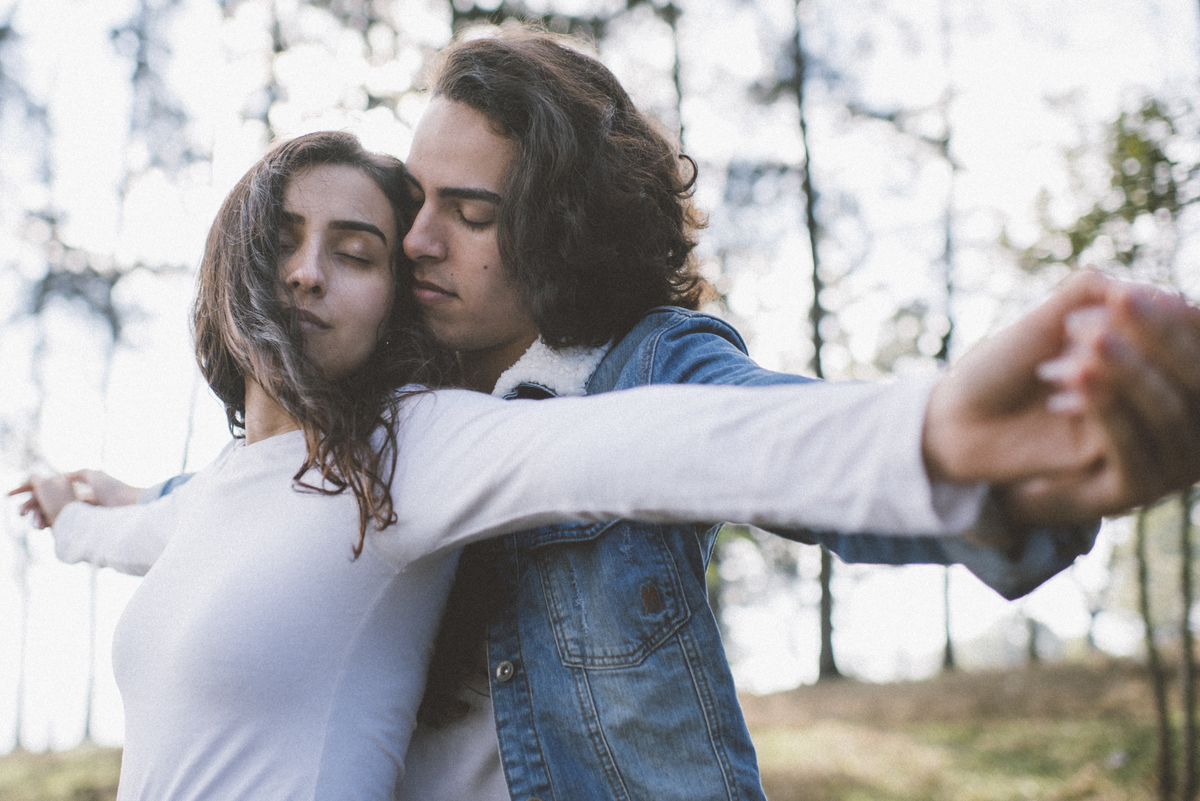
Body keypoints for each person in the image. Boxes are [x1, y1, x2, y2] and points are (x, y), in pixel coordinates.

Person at [47, 28, 1200, 801]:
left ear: (557, 227)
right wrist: (98, 505)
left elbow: (749, 446)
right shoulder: (398, 410)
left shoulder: (640, 370)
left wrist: (974, 454)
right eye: (413, 206)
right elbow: (245, 506)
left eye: (469, 213)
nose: (415, 243)